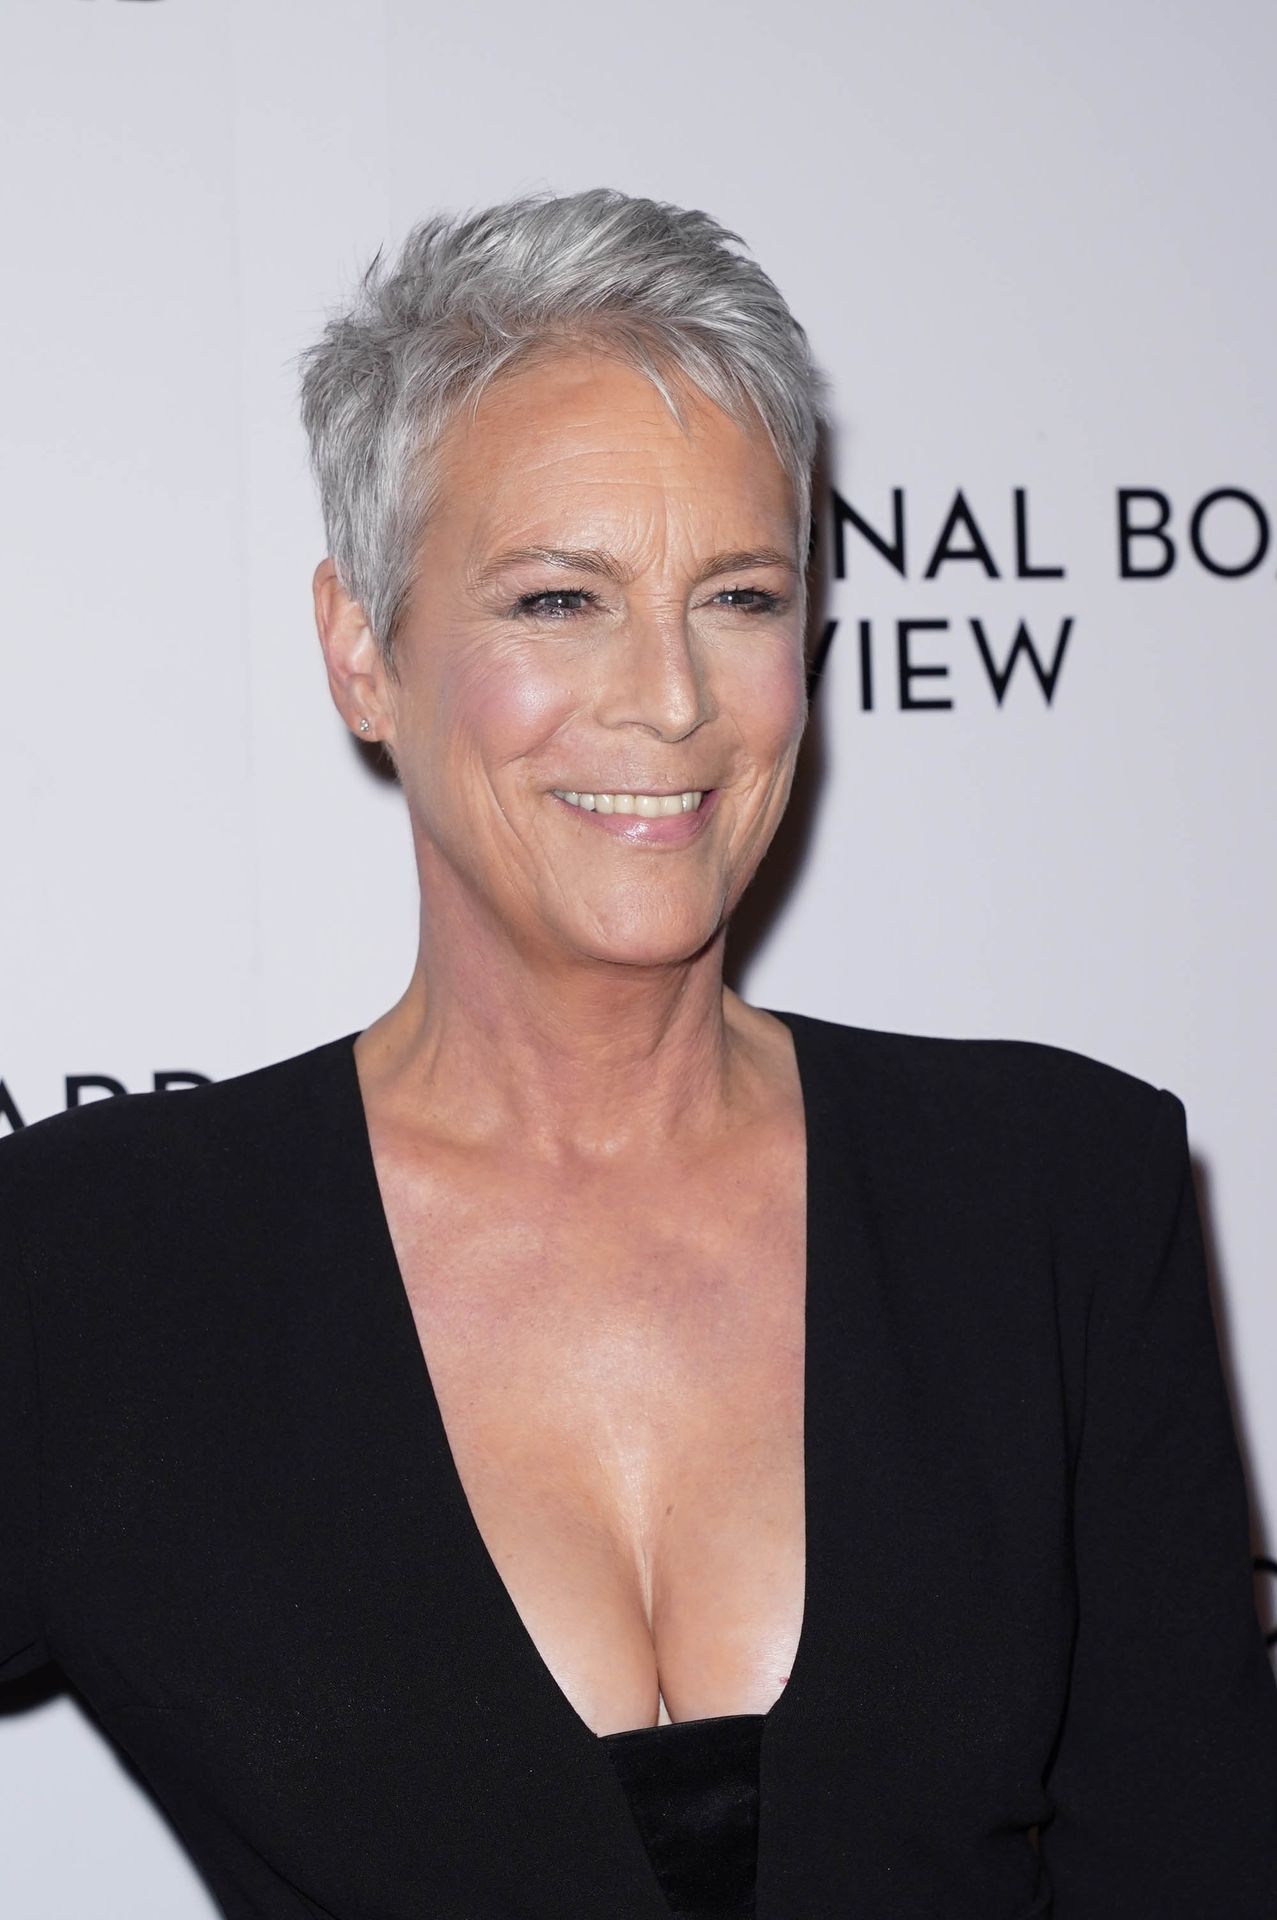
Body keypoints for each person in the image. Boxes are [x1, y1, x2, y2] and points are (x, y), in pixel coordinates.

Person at [2, 187, 1275, 1920]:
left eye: (738, 595)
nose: (670, 698)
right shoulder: (90, 1264)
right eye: (558, 599)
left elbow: (1193, 1865)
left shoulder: (1052, 1194)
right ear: (363, 651)